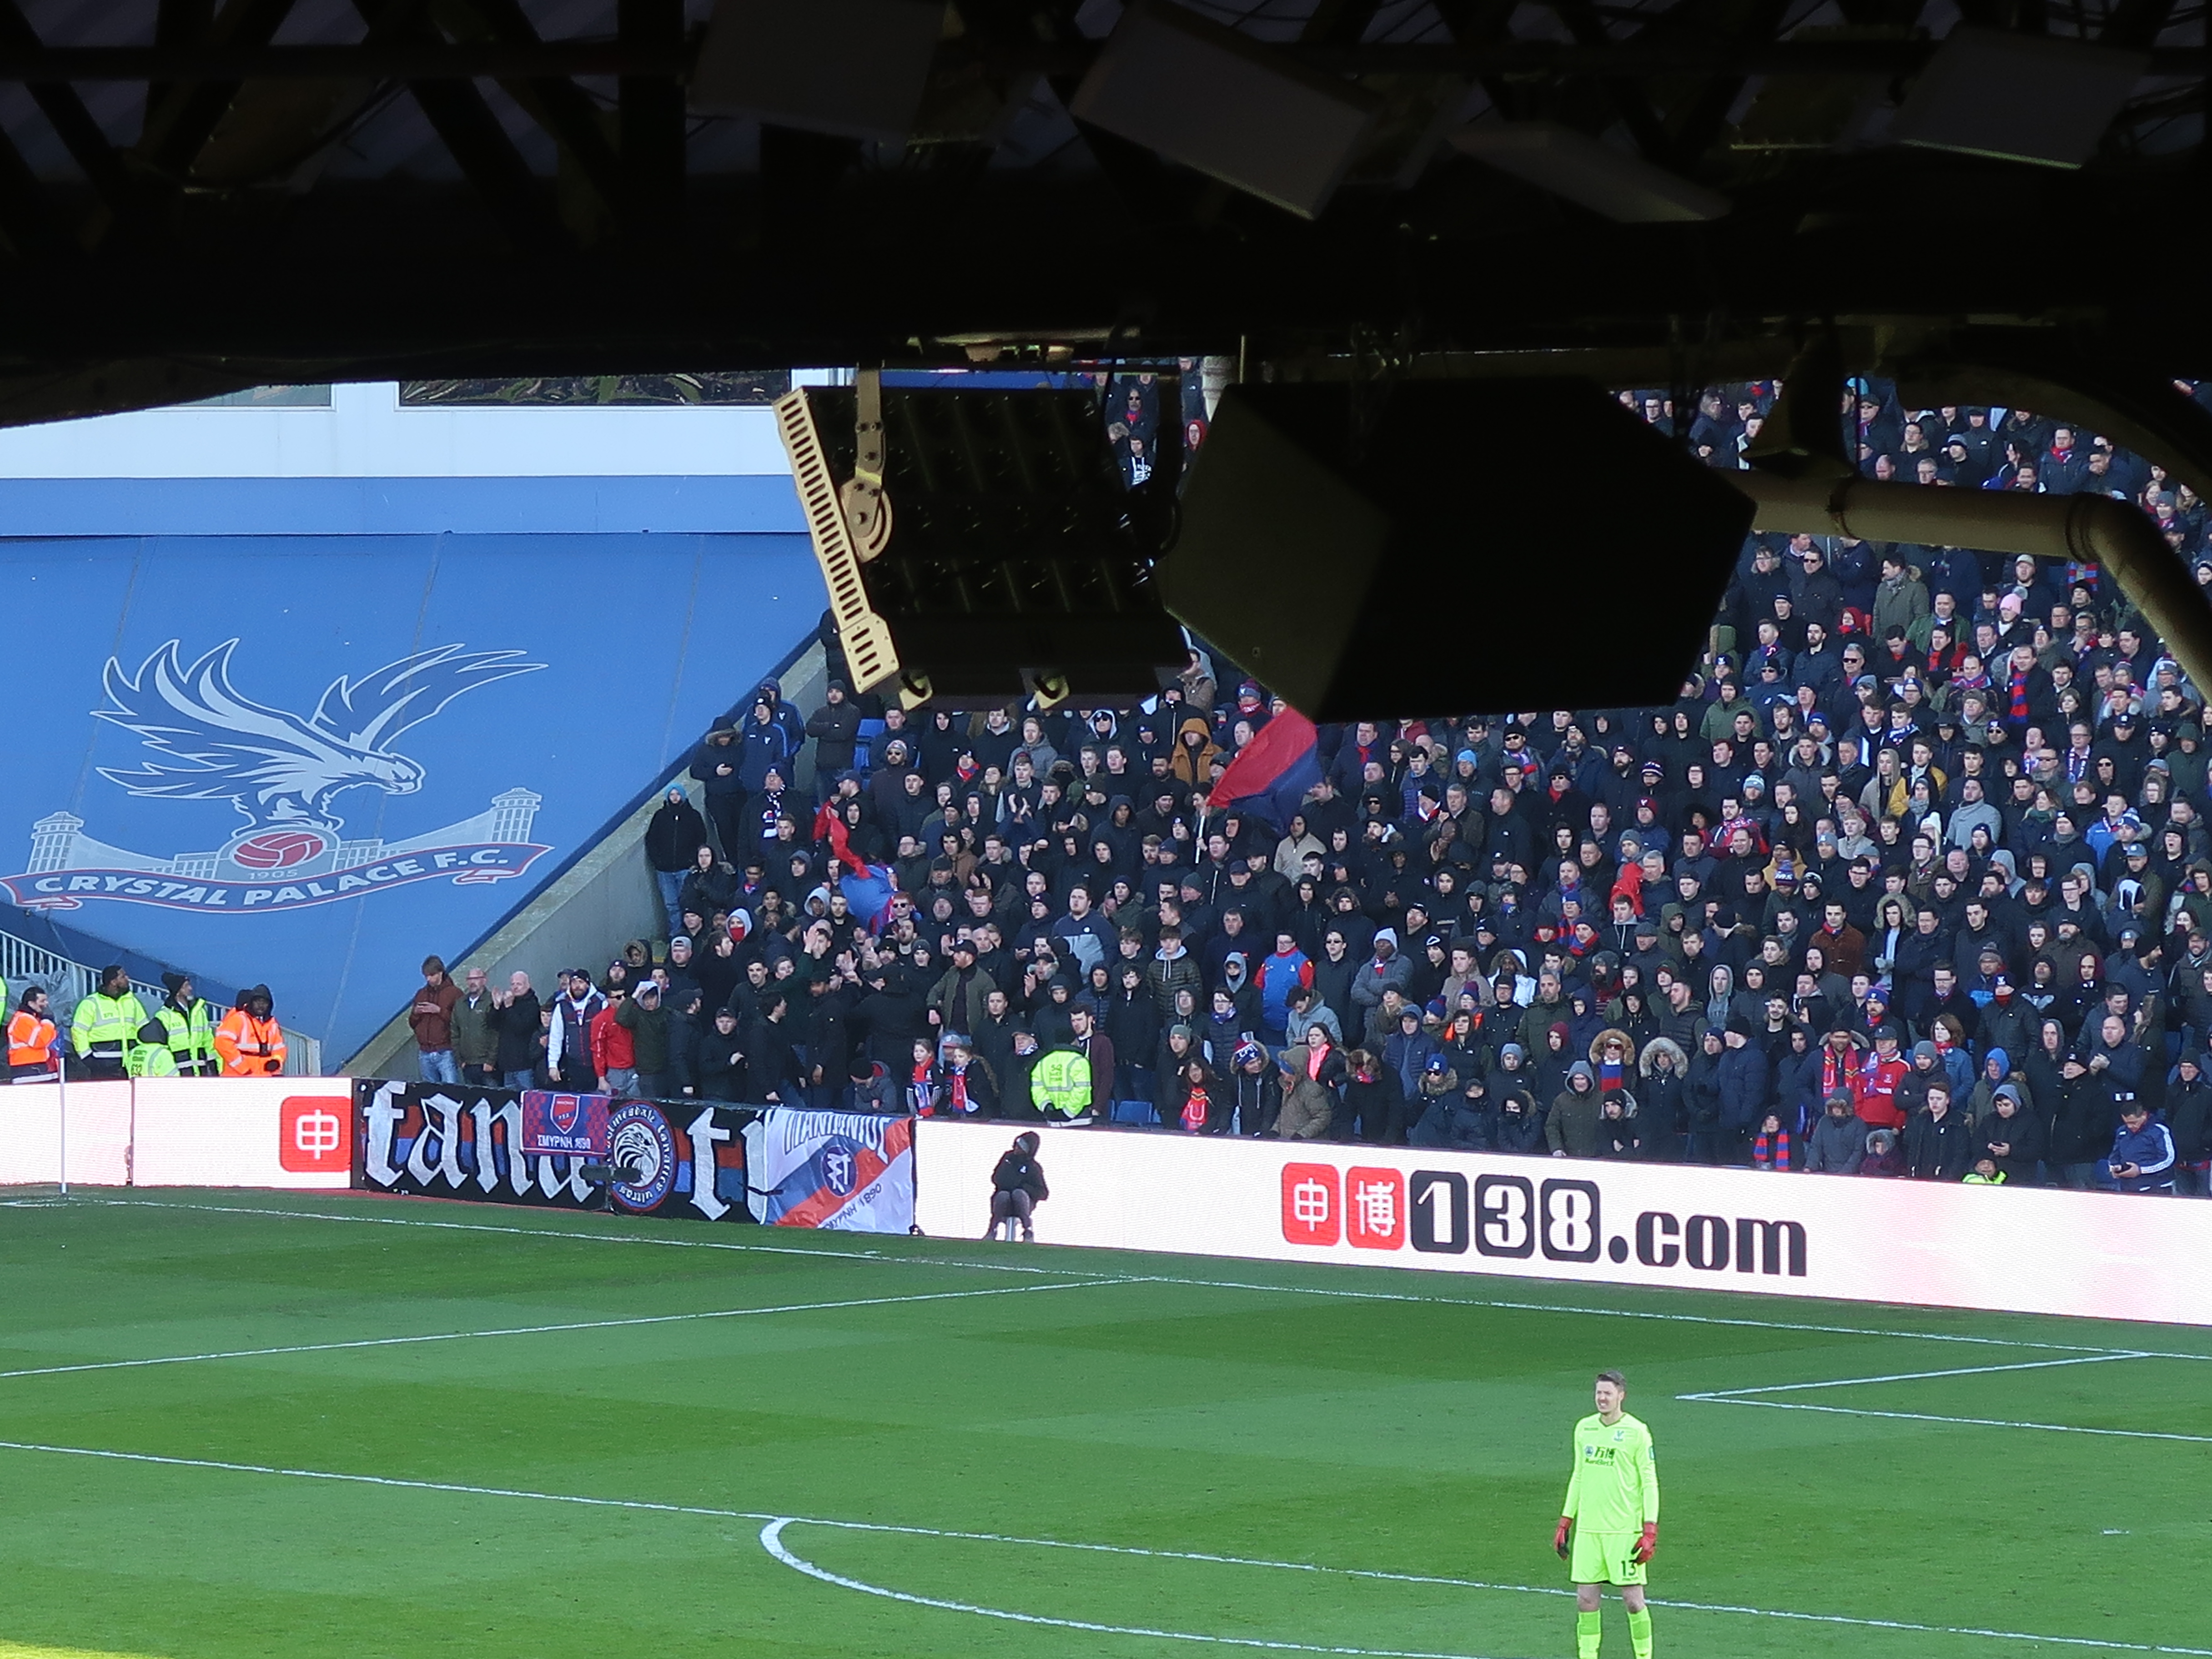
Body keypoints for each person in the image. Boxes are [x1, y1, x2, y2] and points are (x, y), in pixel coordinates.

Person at [1554, 1368, 1659, 1659]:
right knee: (1586, 1601)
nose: (1602, 1398)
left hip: (1624, 1532)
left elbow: (1650, 1482)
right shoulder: (1584, 1428)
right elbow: (1579, 1475)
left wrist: (1650, 1529)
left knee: (1633, 1601)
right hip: (1589, 1531)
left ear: (1621, 1396)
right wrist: (1566, 1520)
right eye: (1599, 1393)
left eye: (1608, 1393)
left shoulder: (1637, 1432)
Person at [645, 786, 711, 940]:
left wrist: (692, 861)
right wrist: (658, 861)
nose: (675, 798)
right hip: (665, 870)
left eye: (677, 794)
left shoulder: (693, 816)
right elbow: (651, 840)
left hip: (685, 869)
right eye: (672, 795)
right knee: (671, 905)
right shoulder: (660, 816)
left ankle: (690, 935)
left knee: (687, 904)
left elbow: (701, 838)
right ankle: (675, 936)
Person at [70, 965, 142, 1081]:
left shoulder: (132, 1001)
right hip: (102, 1064)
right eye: (123, 976)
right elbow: (79, 1031)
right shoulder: (90, 1003)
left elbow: (144, 1028)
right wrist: (86, 1056)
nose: (127, 979)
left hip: (130, 1063)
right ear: (113, 982)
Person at [2106, 1098, 2178, 1193]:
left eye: (2134, 1123)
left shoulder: (2159, 1131)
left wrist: (2141, 1170)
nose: (2130, 1126)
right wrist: (2115, 1167)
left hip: (2157, 1187)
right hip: (2128, 1187)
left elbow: (2168, 1159)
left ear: (2144, 1115)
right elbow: (2115, 1154)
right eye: (2127, 1123)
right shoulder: (2122, 1132)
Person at [408, 956, 462, 1084]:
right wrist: (416, 1014)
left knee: (450, 1089)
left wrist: (439, 1011)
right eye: (426, 976)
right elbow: (412, 1023)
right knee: (430, 1091)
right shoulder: (421, 994)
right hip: (425, 1052)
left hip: (446, 1051)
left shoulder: (455, 993)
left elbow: (460, 1022)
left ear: (441, 973)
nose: (429, 979)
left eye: (432, 975)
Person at [985, 1130, 1048, 1241]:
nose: (1017, 1148)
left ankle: (1027, 1229)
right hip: (1003, 1201)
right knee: (1003, 1195)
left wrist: (1024, 1187)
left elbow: (1043, 1193)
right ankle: (993, 1229)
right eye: (1017, 1145)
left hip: (1023, 1204)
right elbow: (996, 1178)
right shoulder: (1008, 1159)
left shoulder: (1033, 1167)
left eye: (1021, 1147)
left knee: (1019, 1194)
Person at [153, 972, 217, 1077]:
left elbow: (208, 1041)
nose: (191, 988)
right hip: (177, 1073)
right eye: (186, 986)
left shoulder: (199, 1012)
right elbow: (161, 1047)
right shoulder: (165, 1015)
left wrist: (215, 1068)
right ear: (178, 991)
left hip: (201, 1072)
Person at [214, 986, 286, 1076]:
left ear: (270, 1005)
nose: (261, 1005)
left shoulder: (272, 1024)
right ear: (251, 1003)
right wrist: (243, 1068)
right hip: (237, 1078)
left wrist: (276, 1063)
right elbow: (223, 1044)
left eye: (265, 1002)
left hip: (264, 1078)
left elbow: (279, 1048)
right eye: (258, 1001)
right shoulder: (238, 1019)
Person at [6, 986, 59, 1083]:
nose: (46, 1004)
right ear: (31, 1003)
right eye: (42, 1001)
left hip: (35, 1068)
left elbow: (50, 1039)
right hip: (29, 1069)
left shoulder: (33, 1019)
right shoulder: (24, 1019)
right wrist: (48, 1022)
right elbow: (40, 1042)